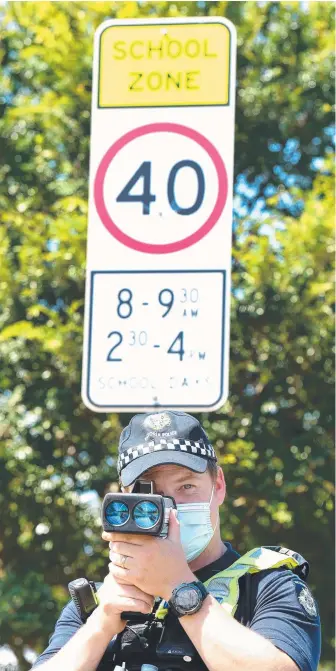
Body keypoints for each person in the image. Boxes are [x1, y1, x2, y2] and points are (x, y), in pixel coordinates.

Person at [31, 411, 321, 671]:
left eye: (186, 486)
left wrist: (180, 588)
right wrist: (101, 625)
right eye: (150, 491)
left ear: (218, 486)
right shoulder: (98, 602)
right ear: (125, 496)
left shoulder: (267, 586)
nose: (171, 506)